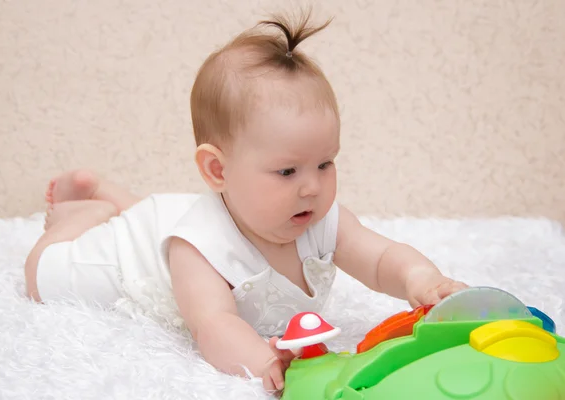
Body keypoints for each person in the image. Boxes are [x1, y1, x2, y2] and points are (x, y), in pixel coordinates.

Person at [24, 10, 467, 395]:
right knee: (43, 277)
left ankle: (117, 197)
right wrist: (263, 362)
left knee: (155, 212)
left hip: (170, 212)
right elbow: (213, 325)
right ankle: (82, 214)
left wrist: (421, 279)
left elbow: (382, 257)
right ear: (218, 171)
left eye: (325, 163)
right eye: (288, 171)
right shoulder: (196, 249)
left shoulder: (319, 218)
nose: (312, 187)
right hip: (130, 256)